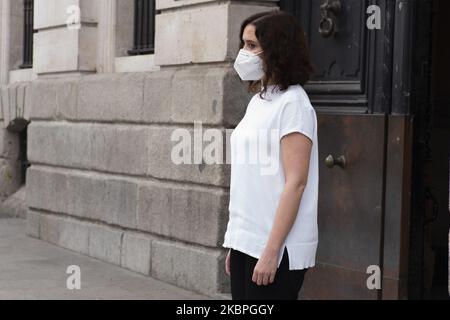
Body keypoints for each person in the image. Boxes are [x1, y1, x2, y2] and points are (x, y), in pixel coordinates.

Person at [222, 10, 319, 300]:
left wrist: (271, 251)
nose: (244, 53)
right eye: (243, 44)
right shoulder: (259, 101)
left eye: (251, 45)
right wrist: (238, 244)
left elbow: (296, 183)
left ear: (277, 50)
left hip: (275, 249)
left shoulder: (294, 105)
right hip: (247, 243)